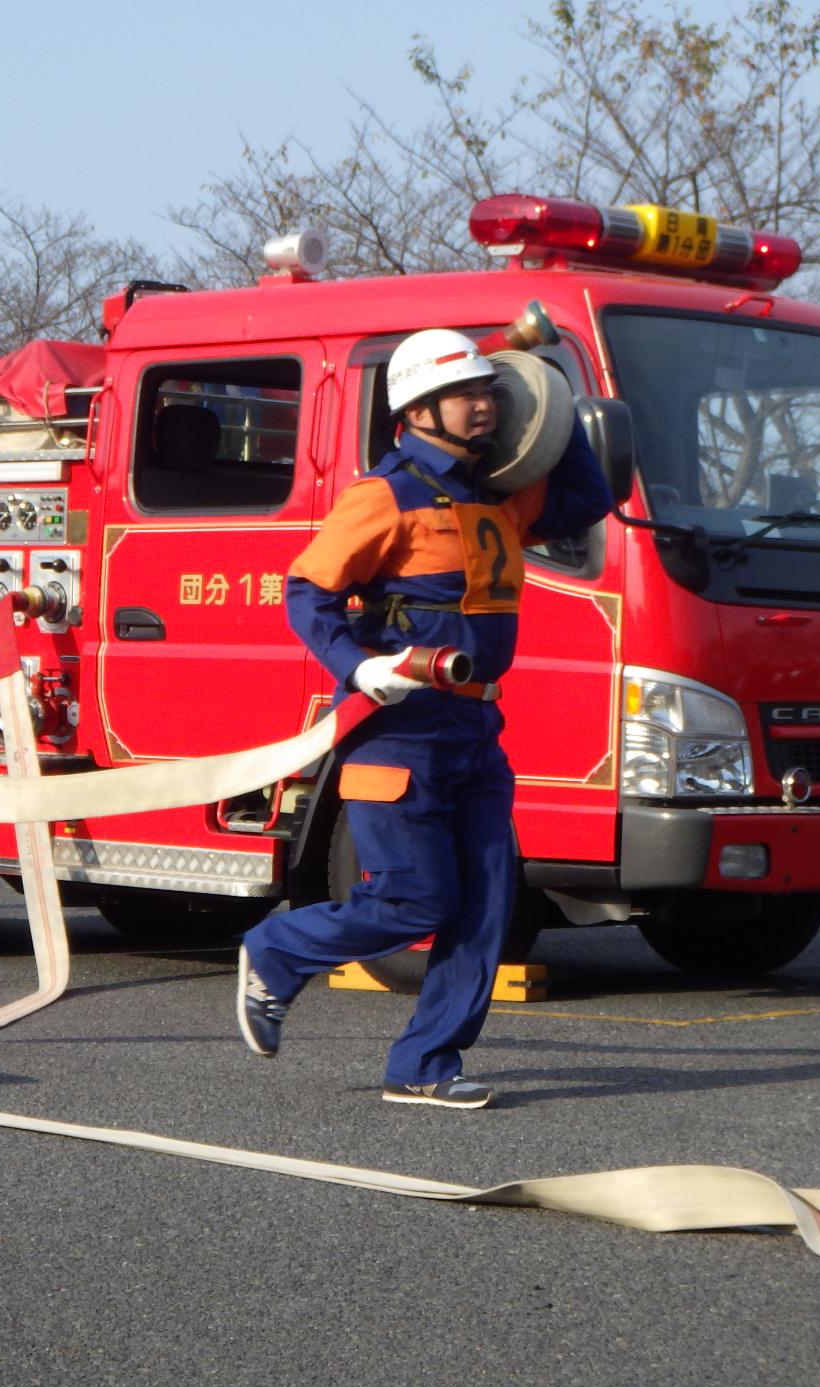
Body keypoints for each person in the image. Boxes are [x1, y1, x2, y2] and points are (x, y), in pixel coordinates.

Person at [235, 328, 614, 1109]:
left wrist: (553, 400)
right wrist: (357, 664)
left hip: (475, 727)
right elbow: (306, 590)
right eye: (470, 394)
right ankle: (277, 948)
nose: (486, 405)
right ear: (418, 407)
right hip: (399, 727)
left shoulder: (502, 494)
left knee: (485, 905)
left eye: (491, 393)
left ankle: (426, 1064)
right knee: (413, 901)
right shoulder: (384, 494)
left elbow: (590, 495)